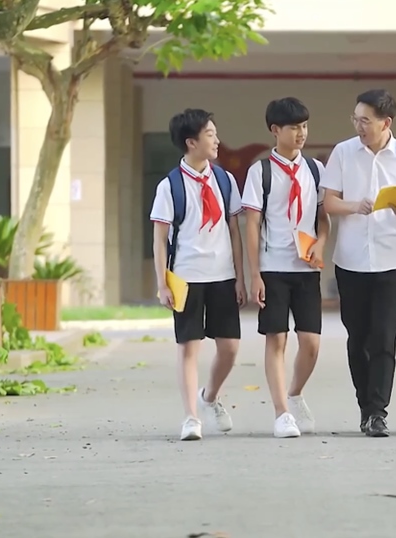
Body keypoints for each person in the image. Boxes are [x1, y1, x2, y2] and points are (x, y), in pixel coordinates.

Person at [321, 89, 396, 438]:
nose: (359, 126)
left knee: (384, 338)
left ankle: (378, 412)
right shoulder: (343, 152)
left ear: (386, 123)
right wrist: (355, 206)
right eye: (356, 119)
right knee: (358, 338)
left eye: (365, 121)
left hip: (391, 259)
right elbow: (329, 203)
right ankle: (364, 406)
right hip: (351, 260)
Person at [150, 108, 247, 441]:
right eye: (210, 135)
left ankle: (210, 397)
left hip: (222, 275)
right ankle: (191, 417)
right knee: (188, 348)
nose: (217, 140)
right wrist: (162, 283)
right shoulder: (170, 186)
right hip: (186, 277)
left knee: (230, 347)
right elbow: (160, 239)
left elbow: (234, 230)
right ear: (191, 142)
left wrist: (240, 277)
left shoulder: (225, 180)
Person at [242, 97, 329, 439]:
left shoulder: (315, 170)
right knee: (276, 338)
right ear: (275, 130)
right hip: (273, 267)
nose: (301, 133)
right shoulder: (260, 171)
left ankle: (294, 393)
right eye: (294, 127)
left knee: (311, 343)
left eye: (304, 126)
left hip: (307, 268)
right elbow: (252, 224)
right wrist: (255, 274)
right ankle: (281, 413)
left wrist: (321, 243)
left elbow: (323, 218)